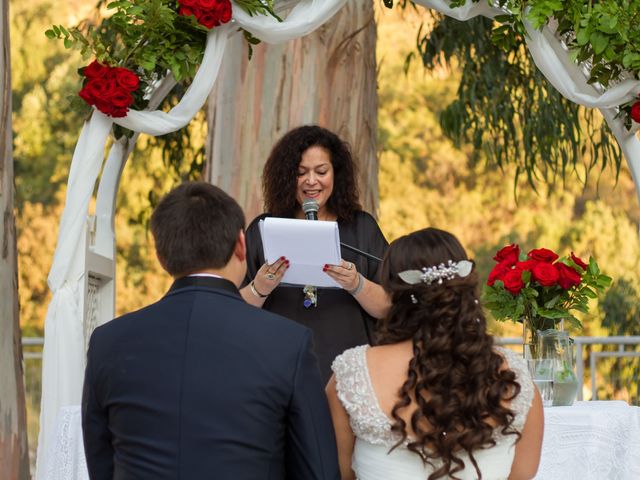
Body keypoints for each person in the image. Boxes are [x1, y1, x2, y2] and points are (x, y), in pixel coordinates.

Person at [82, 182, 340, 480]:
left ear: (161, 255)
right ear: (241, 245)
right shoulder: (288, 343)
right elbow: (318, 471)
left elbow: (101, 465)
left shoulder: (108, 342)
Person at [325, 227, 544, 480]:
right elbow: (521, 474)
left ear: (395, 293)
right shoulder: (514, 377)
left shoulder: (352, 374)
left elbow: (337, 473)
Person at [240, 125, 391, 382]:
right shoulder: (264, 229)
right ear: (287, 177)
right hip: (279, 371)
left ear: (336, 174)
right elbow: (232, 309)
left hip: (350, 374)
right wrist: (260, 288)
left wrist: (357, 284)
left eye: (321, 171)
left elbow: (389, 306)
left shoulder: (362, 228)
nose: (312, 181)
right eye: (301, 173)